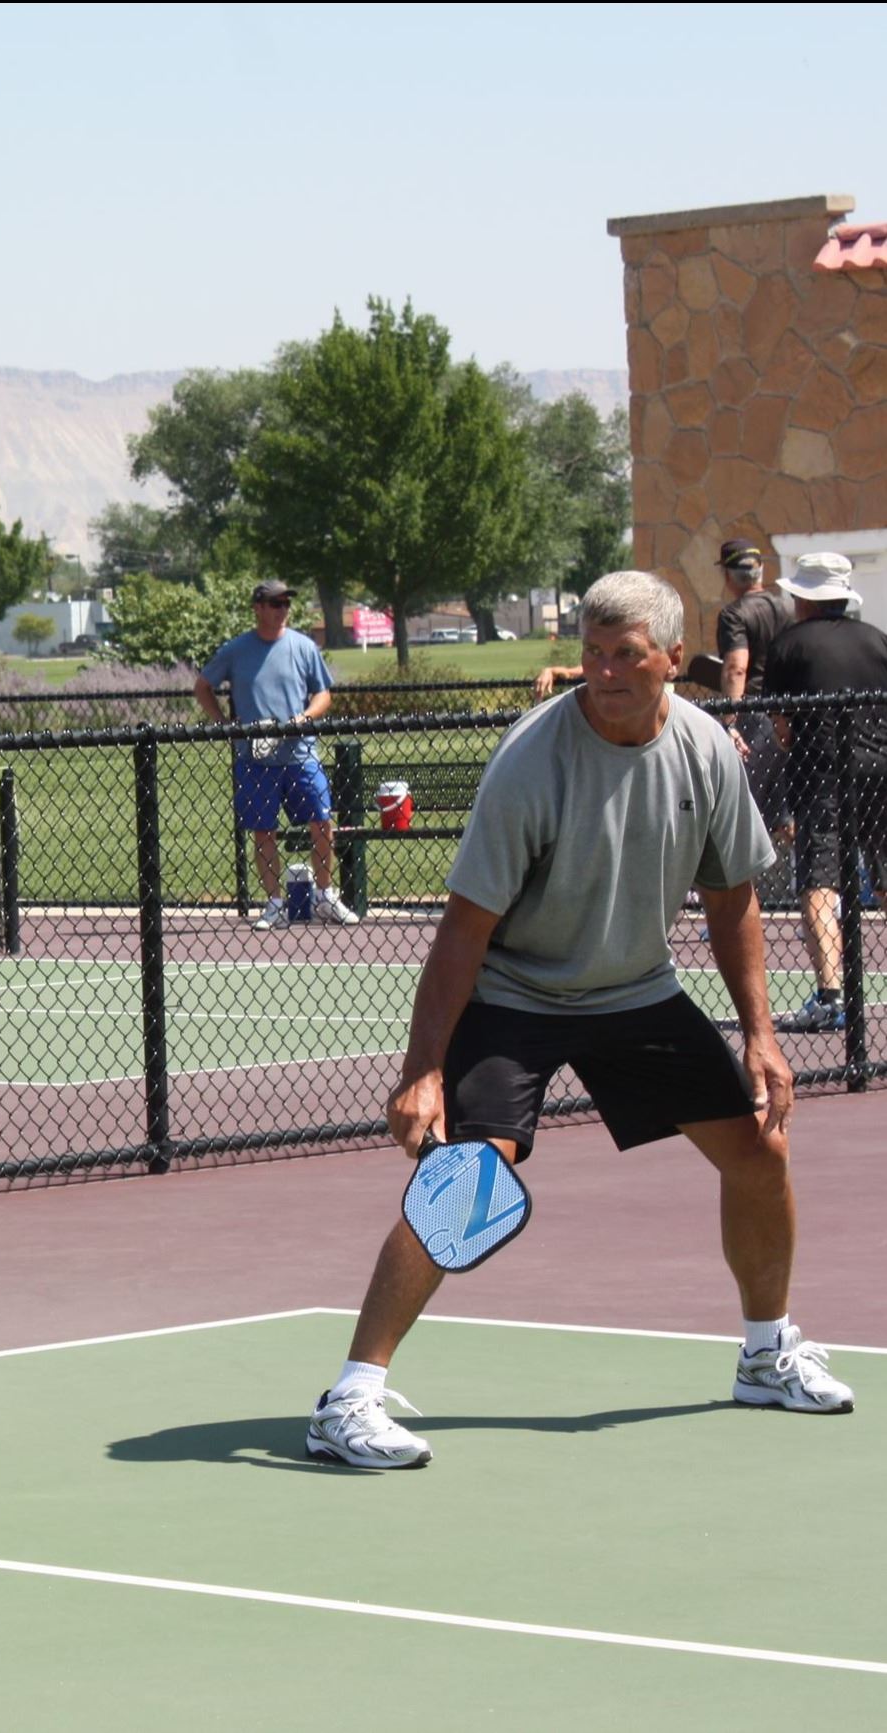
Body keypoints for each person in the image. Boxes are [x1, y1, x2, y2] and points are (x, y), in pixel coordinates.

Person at [305, 570, 850, 1471]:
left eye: (625, 656)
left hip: (635, 988)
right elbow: (463, 930)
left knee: (760, 1148)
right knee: (471, 1179)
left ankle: (767, 1352)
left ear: (674, 659)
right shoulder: (531, 761)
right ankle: (349, 1398)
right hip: (514, 994)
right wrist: (424, 1067)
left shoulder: (708, 752)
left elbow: (733, 901)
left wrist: (761, 1033)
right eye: (592, 654)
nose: (602, 673)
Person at [760, 552, 887, 1034]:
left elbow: (782, 726)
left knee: (818, 881)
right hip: (881, 772)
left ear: (804, 599)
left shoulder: (790, 644)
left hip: (825, 774)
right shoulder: (877, 639)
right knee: (884, 873)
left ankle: (831, 996)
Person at [194, 580, 359, 930]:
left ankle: (325, 897)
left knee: (321, 823)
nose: (282, 609)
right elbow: (202, 686)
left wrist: (304, 718)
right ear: (257, 607)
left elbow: (323, 695)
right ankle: (275, 904)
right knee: (263, 831)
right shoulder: (236, 650)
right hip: (255, 760)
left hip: (301, 755)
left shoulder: (303, 646)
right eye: (274, 603)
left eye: (285, 603)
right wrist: (225, 725)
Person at [713, 538, 797, 838]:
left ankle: (746, 881)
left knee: (743, 805)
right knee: (784, 815)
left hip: (754, 715)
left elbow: (737, 666)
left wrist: (730, 722)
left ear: (727, 575)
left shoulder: (733, 614)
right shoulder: (789, 607)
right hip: (789, 715)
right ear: (760, 571)